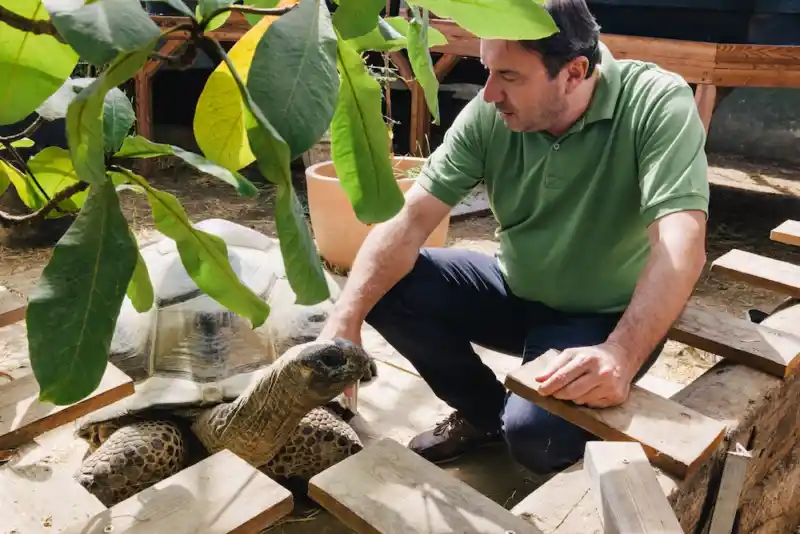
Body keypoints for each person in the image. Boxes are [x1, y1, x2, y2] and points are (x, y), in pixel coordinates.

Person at [318, 0, 709, 475]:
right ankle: (485, 415)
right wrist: (344, 321)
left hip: (602, 318)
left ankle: (540, 434)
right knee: (383, 286)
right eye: (486, 70)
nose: (488, 94)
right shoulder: (492, 116)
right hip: (514, 286)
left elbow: (681, 244)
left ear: (574, 71)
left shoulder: (654, 103)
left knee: (535, 438)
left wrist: (621, 355)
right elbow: (408, 220)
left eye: (509, 76)